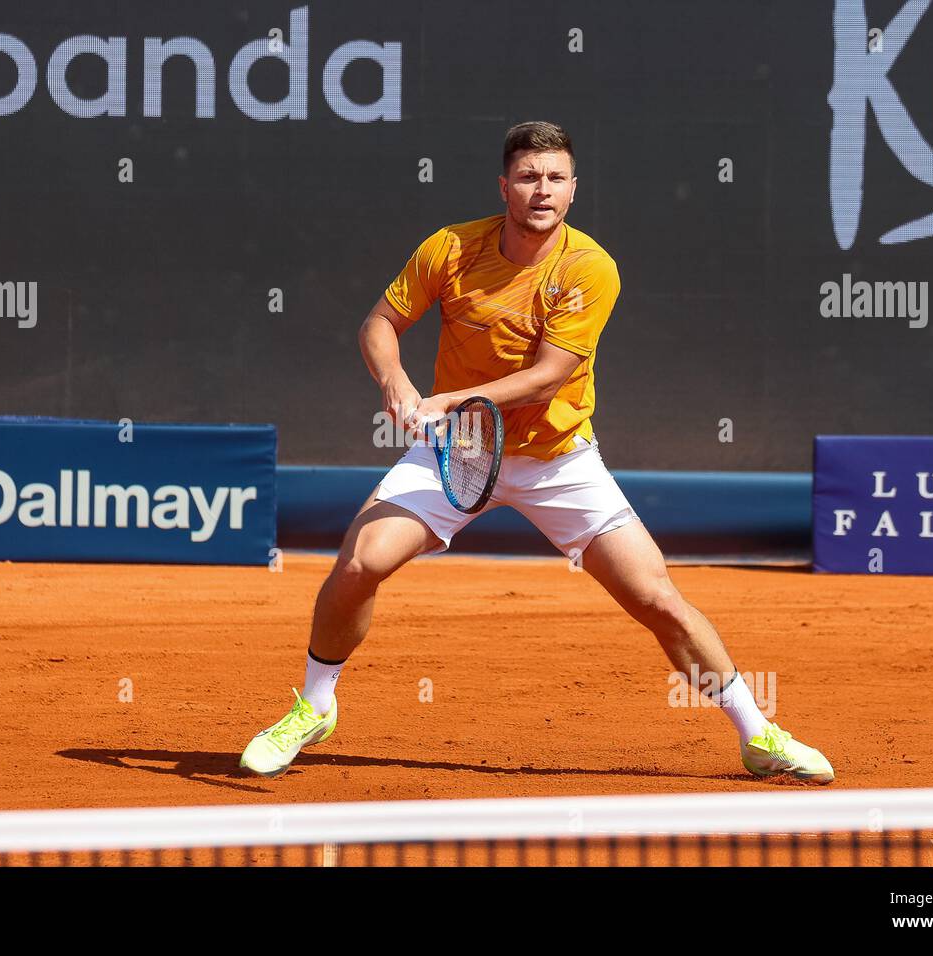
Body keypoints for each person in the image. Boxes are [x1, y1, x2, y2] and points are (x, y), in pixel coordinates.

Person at [240, 121, 833, 784]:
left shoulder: (589, 267)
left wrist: (449, 401)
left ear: (574, 190)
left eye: (555, 178)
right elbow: (380, 322)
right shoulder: (450, 248)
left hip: (559, 458)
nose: (541, 190)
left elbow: (548, 376)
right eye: (528, 177)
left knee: (657, 597)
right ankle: (314, 707)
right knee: (357, 565)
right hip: (460, 452)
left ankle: (759, 736)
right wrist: (398, 383)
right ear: (505, 186)